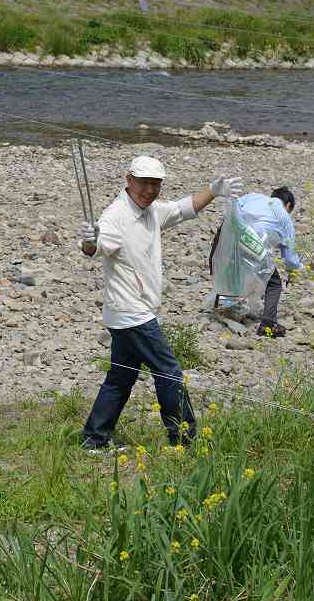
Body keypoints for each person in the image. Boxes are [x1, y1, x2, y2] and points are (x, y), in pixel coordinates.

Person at [78, 156, 243, 452]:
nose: (149, 190)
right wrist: (89, 241)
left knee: (121, 377)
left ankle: (94, 439)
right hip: (131, 313)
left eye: (155, 184)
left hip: (128, 313)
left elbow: (184, 208)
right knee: (169, 372)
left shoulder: (151, 211)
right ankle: (183, 441)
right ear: (129, 180)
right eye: (144, 183)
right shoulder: (115, 216)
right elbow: (97, 247)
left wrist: (214, 190)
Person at [208, 187, 301, 338]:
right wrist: (292, 271)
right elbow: (290, 257)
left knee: (234, 271)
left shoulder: (254, 197)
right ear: (288, 205)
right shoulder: (285, 218)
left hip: (227, 233)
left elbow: (233, 210)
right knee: (274, 283)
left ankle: (221, 305)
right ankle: (268, 324)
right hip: (252, 241)